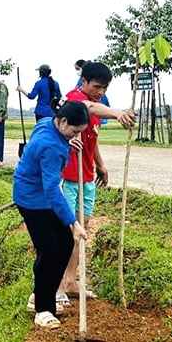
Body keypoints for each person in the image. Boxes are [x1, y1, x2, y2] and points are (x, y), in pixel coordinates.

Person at [56, 61, 135, 299]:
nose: (101, 92)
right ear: (84, 82)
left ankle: (71, 281)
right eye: (97, 87)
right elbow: (88, 107)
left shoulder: (98, 104)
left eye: (105, 88)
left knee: (83, 226)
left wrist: (99, 164)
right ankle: (57, 285)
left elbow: (93, 138)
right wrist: (117, 113)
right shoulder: (74, 99)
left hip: (87, 175)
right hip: (69, 174)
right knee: (68, 229)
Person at [12, 100, 89, 330]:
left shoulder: (47, 122)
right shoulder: (52, 147)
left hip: (40, 195)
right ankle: (43, 309)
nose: (76, 136)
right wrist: (73, 222)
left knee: (64, 244)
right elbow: (53, 189)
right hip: (32, 199)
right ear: (63, 121)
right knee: (48, 249)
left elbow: (57, 144)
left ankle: (39, 295)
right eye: (75, 132)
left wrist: (69, 145)